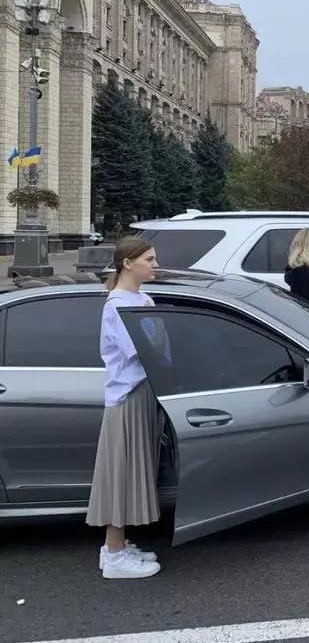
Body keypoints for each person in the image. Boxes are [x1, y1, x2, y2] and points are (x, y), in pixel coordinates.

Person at [87, 236, 163, 579]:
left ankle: (116, 547)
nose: (155, 265)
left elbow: (162, 349)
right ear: (127, 263)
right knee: (119, 475)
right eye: (149, 259)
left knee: (132, 473)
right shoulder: (118, 304)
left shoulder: (142, 298)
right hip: (125, 398)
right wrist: (151, 321)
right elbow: (140, 349)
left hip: (141, 393)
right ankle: (114, 555)